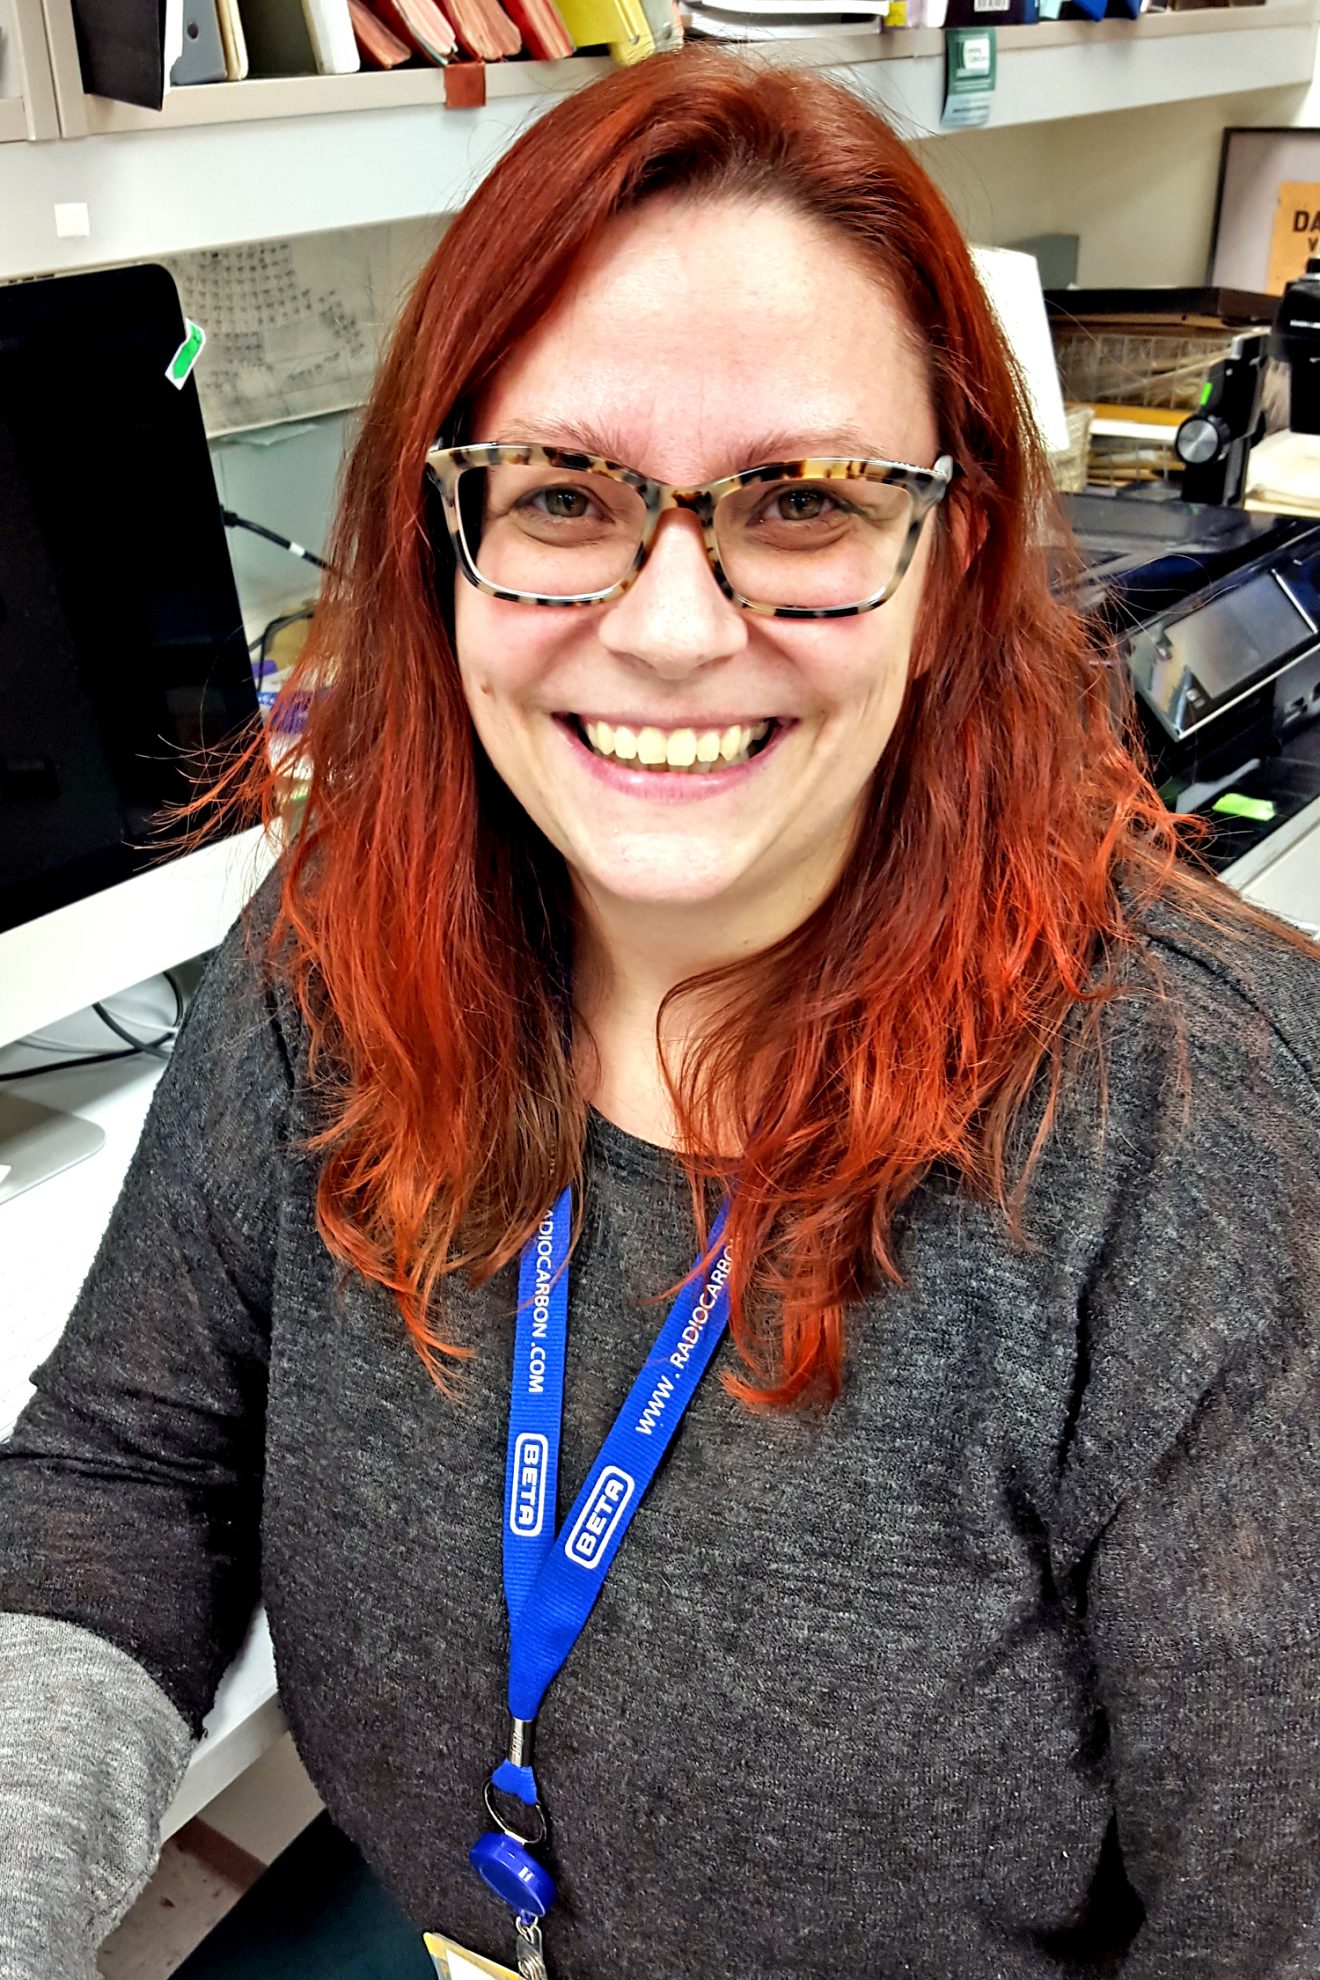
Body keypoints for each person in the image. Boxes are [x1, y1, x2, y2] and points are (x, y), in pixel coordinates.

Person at [2, 43, 1319, 1980]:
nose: (676, 626)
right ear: (442, 538)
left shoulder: (1206, 1134)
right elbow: (124, 1481)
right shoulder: (343, 948)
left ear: (952, 556)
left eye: (800, 501)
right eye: (562, 494)